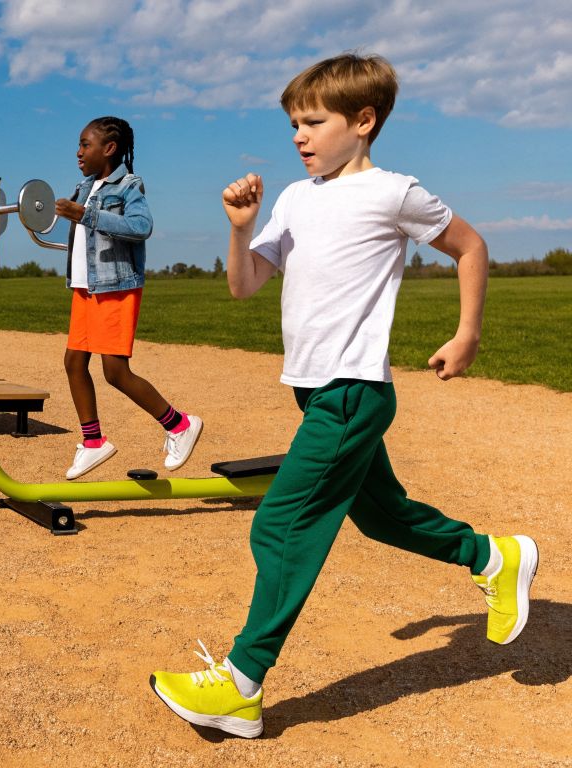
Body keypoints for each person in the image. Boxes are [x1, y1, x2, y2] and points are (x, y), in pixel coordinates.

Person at [148, 53, 538, 739]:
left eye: (313, 121)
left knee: (280, 524)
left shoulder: (393, 192)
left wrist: (467, 332)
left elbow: (470, 246)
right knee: (383, 517)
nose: (299, 136)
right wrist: (240, 228)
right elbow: (244, 286)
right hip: (315, 392)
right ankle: (493, 557)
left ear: (363, 121)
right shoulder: (297, 198)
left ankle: (241, 685)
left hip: (352, 392)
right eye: (293, 123)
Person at [55, 116, 203, 480]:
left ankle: (180, 424)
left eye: (85, 144)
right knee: (74, 363)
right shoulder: (84, 186)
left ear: (109, 148)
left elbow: (141, 227)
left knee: (115, 372)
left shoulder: (127, 186)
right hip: (85, 289)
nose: (78, 151)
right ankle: (93, 443)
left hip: (115, 289)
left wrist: (86, 214)